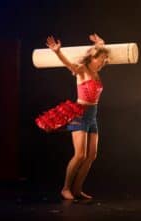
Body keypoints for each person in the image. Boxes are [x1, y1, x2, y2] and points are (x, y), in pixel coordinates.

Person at [36, 33, 109, 200]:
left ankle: (77, 189)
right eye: (102, 59)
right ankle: (66, 188)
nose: (104, 62)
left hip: (93, 117)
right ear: (93, 57)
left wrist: (100, 43)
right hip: (80, 115)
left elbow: (100, 50)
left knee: (92, 155)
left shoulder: (97, 72)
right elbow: (68, 64)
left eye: (105, 60)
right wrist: (57, 52)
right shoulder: (82, 70)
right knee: (80, 155)